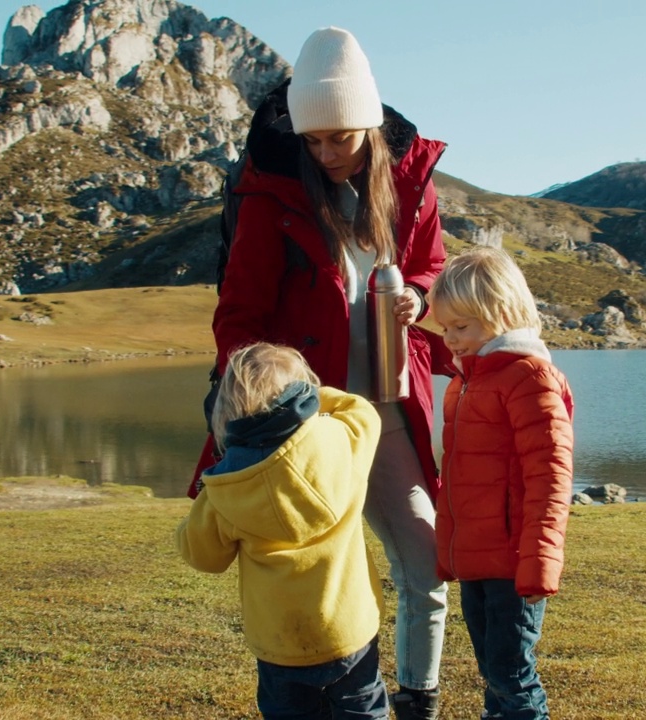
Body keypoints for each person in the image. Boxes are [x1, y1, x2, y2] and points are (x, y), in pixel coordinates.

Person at [189, 26, 449, 719]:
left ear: (369, 123)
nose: (327, 153)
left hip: (388, 410)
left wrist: (418, 296)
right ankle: (310, 693)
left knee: (425, 560)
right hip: (308, 424)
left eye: (341, 137)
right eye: (314, 140)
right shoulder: (271, 197)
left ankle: (418, 700)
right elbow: (238, 311)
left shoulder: (411, 184)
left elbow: (431, 266)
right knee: (305, 582)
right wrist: (252, 399)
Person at [177, 342, 388, 719]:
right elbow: (362, 410)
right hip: (349, 630)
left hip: (280, 644)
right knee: (362, 708)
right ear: (301, 398)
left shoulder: (227, 487)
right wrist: (310, 396)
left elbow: (202, 556)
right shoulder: (339, 441)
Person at [428, 247, 575, 720]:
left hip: (513, 562)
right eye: (445, 327)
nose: (449, 339)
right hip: (476, 560)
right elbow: (459, 478)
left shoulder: (528, 377)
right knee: (493, 669)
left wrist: (540, 563)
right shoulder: (466, 381)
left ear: (501, 313)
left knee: (513, 674)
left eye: (461, 327)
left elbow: (550, 478)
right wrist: (448, 549)